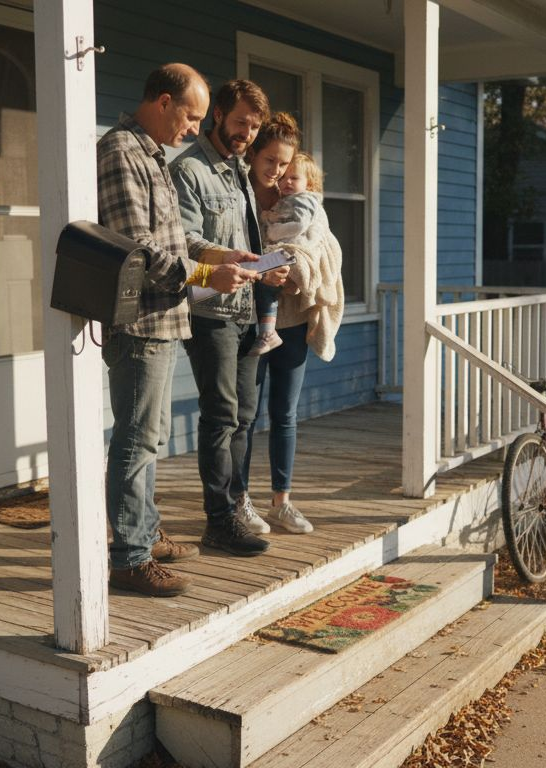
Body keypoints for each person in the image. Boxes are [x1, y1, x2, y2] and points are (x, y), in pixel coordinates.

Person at [97, 63, 258, 597]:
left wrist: (223, 256)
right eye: (189, 117)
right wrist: (211, 276)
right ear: (163, 102)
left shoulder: (154, 155)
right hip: (140, 320)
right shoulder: (122, 151)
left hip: (166, 318)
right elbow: (138, 248)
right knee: (136, 440)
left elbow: (176, 241)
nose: (193, 128)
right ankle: (129, 558)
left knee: (152, 437)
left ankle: (145, 533)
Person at [170, 80, 289, 556]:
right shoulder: (190, 170)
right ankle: (217, 521)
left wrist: (266, 268)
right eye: (240, 122)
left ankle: (237, 505)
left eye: (254, 125)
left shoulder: (240, 172)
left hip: (245, 310)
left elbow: (246, 244)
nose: (247, 133)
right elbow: (187, 241)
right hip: (209, 310)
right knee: (220, 416)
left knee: (244, 416)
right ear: (217, 114)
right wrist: (231, 257)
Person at [241, 115, 346, 535]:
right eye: (273, 162)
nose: (280, 173)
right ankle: (240, 502)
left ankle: (281, 501)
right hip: (249, 317)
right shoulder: (243, 195)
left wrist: (296, 267)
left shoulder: (306, 205)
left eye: (287, 167)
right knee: (244, 416)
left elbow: (321, 249)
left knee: (284, 413)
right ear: (255, 156)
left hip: (292, 318)